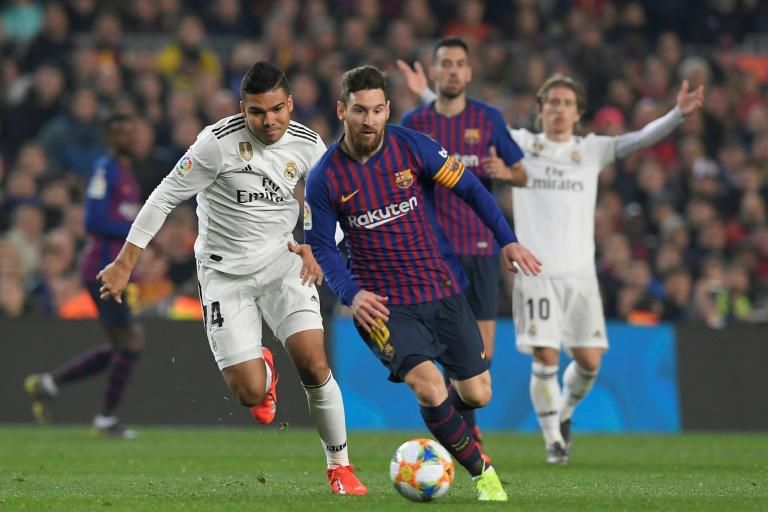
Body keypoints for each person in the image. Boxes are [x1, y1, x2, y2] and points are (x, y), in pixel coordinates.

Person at [401, 69, 704, 463]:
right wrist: (426, 92)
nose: (559, 110)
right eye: (552, 102)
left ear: (578, 113)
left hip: (580, 276)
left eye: (567, 103)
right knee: (546, 357)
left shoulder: (592, 149)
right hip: (535, 272)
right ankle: (553, 442)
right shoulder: (521, 144)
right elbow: (462, 119)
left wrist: (677, 115)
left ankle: (563, 416)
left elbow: (638, 139)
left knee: (590, 362)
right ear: (540, 109)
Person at [96, 62, 366, 495]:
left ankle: (340, 466)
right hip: (224, 275)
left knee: (314, 363)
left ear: (290, 104)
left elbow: (328, 202)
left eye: (278, 109)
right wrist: (127, 260)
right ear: (243, 109)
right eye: (258, 112)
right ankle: (263, 371)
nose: (269, 120)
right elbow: (165, 195)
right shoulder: (214, 145)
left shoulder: (309, 144)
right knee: (249, 394)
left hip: (284, 264)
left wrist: (319, 245)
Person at [304, 65, 541, 501]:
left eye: (377, 110)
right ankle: (482, 473)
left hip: (442, 289)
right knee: (430, 385)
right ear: (342, 110)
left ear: (388, 109)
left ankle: (443, 420)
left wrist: (507, 241)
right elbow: (320, 246)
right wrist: (352, 295)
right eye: (359, 111)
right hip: (382, 306)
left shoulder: (413, 148)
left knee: (478, 393)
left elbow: (471, 189)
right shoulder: (324, 178)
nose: (369, 120)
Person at [397, 38, 527, 447]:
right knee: (442, 351)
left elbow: (522, 172)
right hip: (432, 253)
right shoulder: (414, 121)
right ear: (434, 72)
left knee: (479, 360)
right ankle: (467, 437)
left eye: (459, 64)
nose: (453, 71)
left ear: (469, 73)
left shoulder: (488, 119)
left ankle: (452, 422)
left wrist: (505, 171)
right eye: (445, 64)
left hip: (481, 250)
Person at [25, 113, 143, 439]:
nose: (129, 137)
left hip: (116, 270)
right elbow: (93, 220)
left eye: (132, 131)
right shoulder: (105, 169)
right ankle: (104, 420)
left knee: (123, 344)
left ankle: (49, 383)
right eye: (120, 132)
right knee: (130, 341)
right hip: (102, 268)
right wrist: (138, 231)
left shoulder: (128, 174)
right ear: (109, 137)